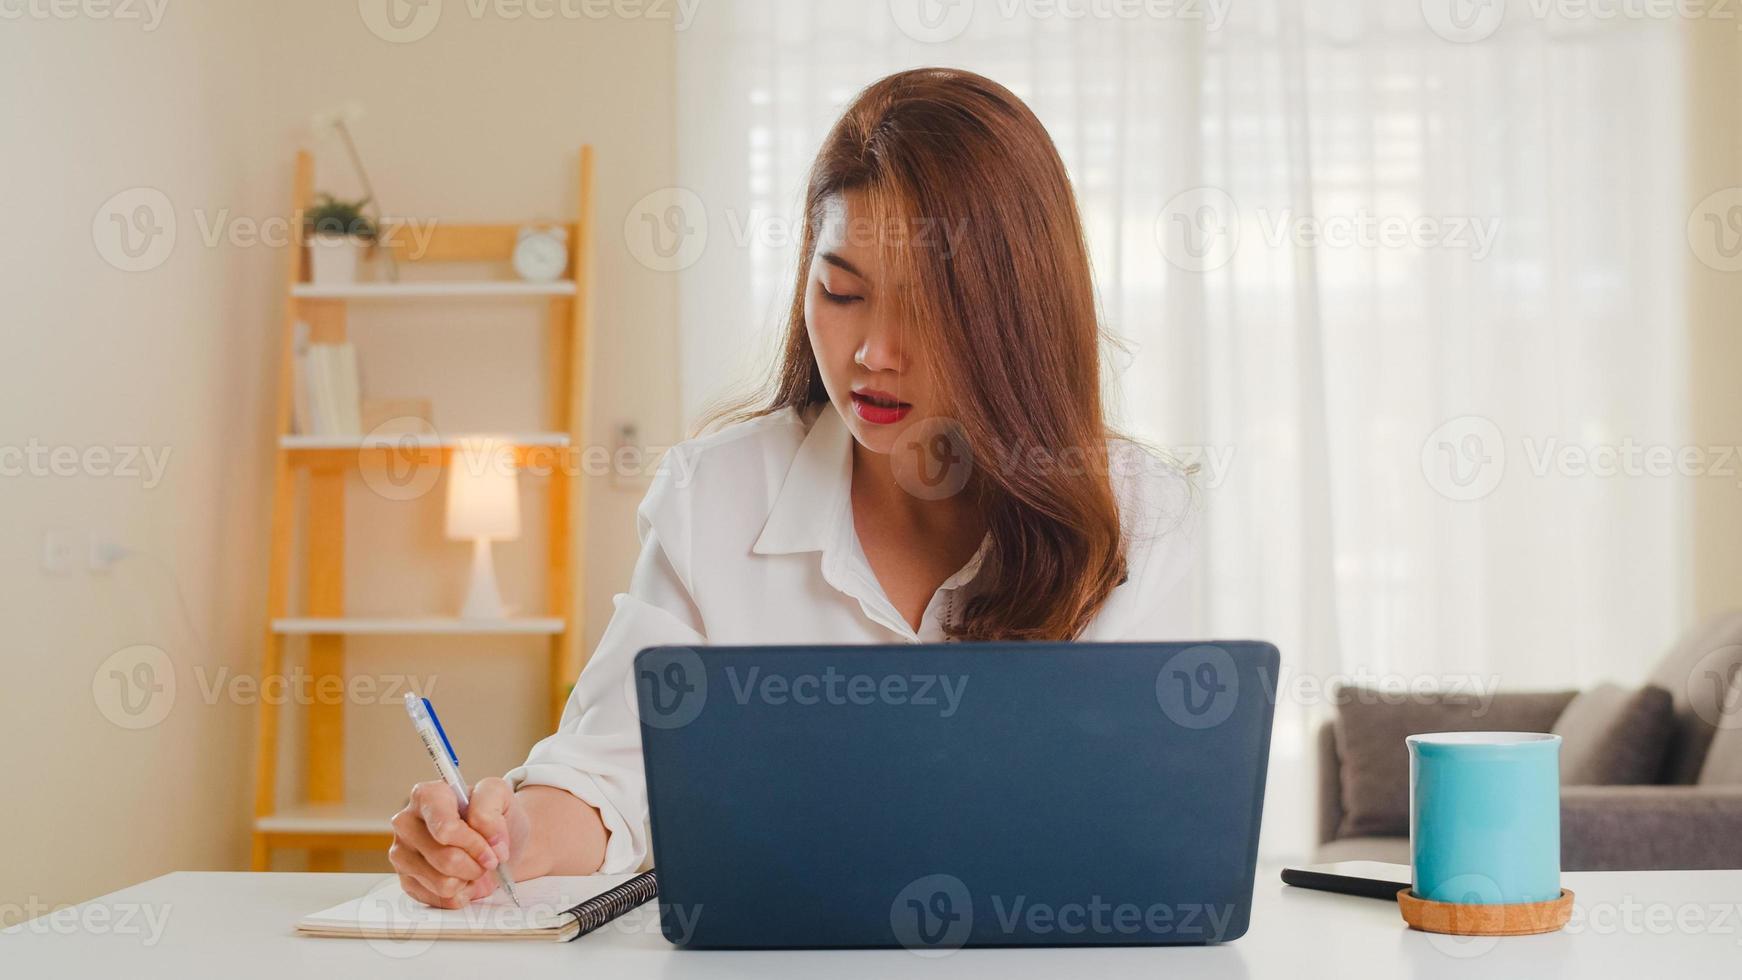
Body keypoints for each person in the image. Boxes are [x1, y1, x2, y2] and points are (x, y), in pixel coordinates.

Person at [388, 66, 1199, 909]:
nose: (872, 352)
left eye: (926, 308)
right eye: (840, 292)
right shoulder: (716, 494)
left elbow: (1133, 821)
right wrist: (508, 835)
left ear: (1015, 315)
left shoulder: (1130, 513)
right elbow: (610, 772)